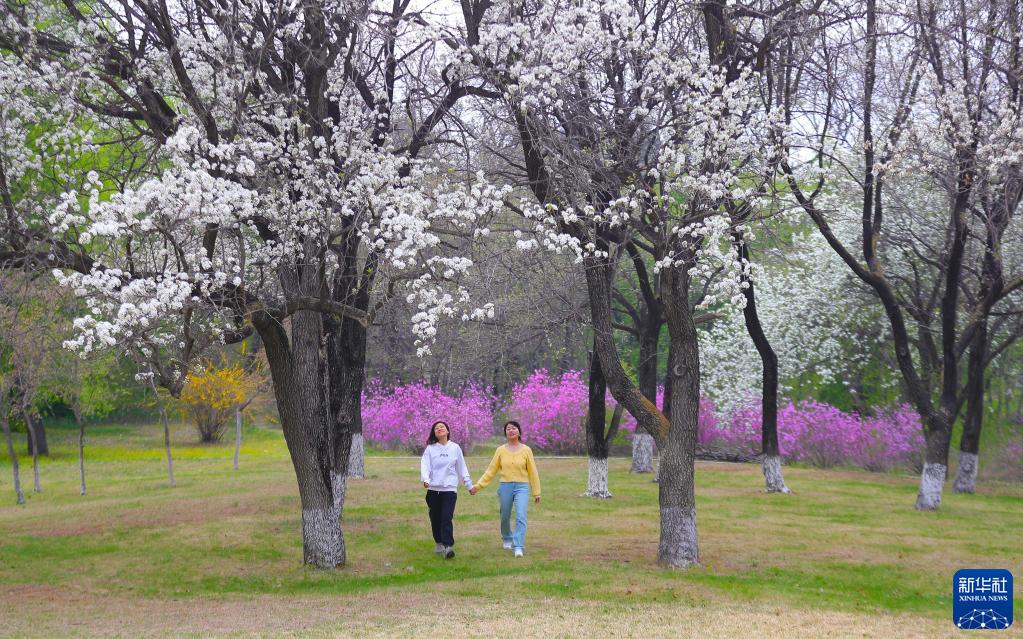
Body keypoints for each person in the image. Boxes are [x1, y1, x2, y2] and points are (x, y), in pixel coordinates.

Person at [474, 420, 541, 558]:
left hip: (522, 486)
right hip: (505, 486)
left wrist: (536, 492)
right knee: (504, 515)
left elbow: (533, 472)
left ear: (519, 432)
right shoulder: (500, 450)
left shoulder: (526, 450)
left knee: (521, 515)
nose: (511, 431)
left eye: (514, 428)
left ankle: (518, 546)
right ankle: (506, 537)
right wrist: (478, 486)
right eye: (508, 429)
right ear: (505, 433)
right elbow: (491, 471)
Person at [420, 420, 476, 559]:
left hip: (450, 490)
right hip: (433, 490)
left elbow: (462, 468)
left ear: (447, 431)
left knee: (446, 517)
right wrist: (426, 479)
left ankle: (448, 546)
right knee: (435, 517)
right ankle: (438, 542)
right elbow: (425, 465)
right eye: (436, 428)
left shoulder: (455, 448)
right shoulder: (430, 449)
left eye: (442, 427)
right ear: (434, 433)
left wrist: (469, 485)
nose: (439, 429)